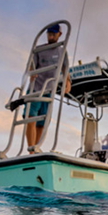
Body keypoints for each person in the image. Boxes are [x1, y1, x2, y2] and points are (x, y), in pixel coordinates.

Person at [25, 23, 71, 151]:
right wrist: (31, 72)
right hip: (35, 89)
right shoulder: (39, 49)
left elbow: (65, 68)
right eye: (49, 34)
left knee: (42, 123)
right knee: (31, 118)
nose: (50, 36)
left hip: (49, 90)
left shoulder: (62, 50)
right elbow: (31, 64)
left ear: (59, 34)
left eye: (53, 34)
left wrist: (68, 81)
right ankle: (31, 150)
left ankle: (36, 147)